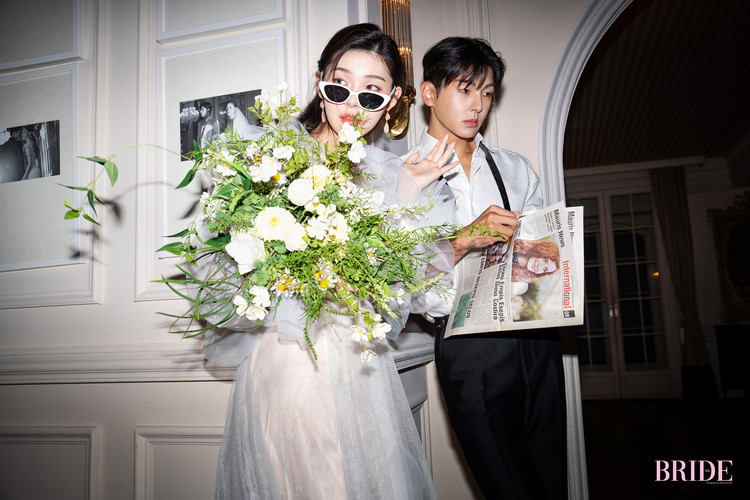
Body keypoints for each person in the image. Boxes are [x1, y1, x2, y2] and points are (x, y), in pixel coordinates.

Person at [205, 23, 458, 499]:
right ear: (320, 83)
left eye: (371, 92)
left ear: (392, 101)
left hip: (361, 365)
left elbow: (406, 294)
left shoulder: (391, 175)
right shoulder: (271, 161)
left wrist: (405, 198)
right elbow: (227, 269)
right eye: (340, 86)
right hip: (292, 359)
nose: (351, 104)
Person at [404, 37, 567, 499]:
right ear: (430, 93)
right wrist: (464, 239)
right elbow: (401, 283)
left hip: (535, 336)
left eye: (488, 93)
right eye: (465, 89)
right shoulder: (402, 176)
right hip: (468, 346)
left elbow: (541, 258)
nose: (477, 105)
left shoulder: (516, 169)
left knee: (550, 480)